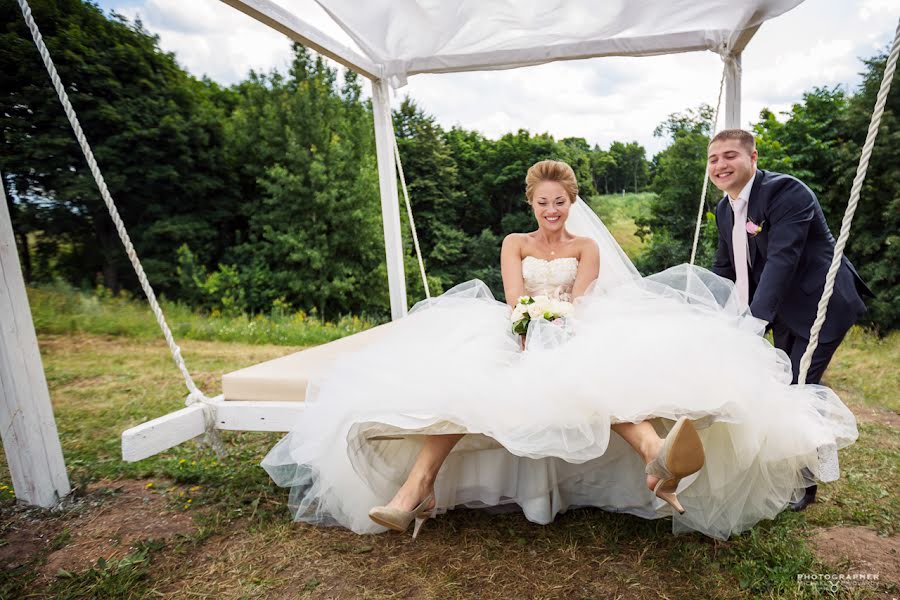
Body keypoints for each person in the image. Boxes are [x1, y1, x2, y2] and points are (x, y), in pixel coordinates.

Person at [262, 160, 857, 540]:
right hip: (516, 331)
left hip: (573, 327)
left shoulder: (586, 247)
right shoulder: (514, 243)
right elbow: (515, 298)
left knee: (594, 375)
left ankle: (660, 455)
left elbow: (581, 298)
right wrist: (528, 328)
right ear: (532, 204)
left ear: (571, 204)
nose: (553, 210)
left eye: (561, 202)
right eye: (544, 202)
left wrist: (558, 325)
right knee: (458, 386)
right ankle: (411, 492)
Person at [708, 129, 871, 510]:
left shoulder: (787, 193)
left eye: (730, 155)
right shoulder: (723, 209)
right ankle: (810, 462)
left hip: (821, 304)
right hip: (782, 311)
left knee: (799, 386)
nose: (720, 165)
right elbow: (724, 268)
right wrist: (716, 318)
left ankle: (807, 482)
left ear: (753, 158)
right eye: (714, 159)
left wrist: (753, 321)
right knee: (789, 383)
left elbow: (783, 260)